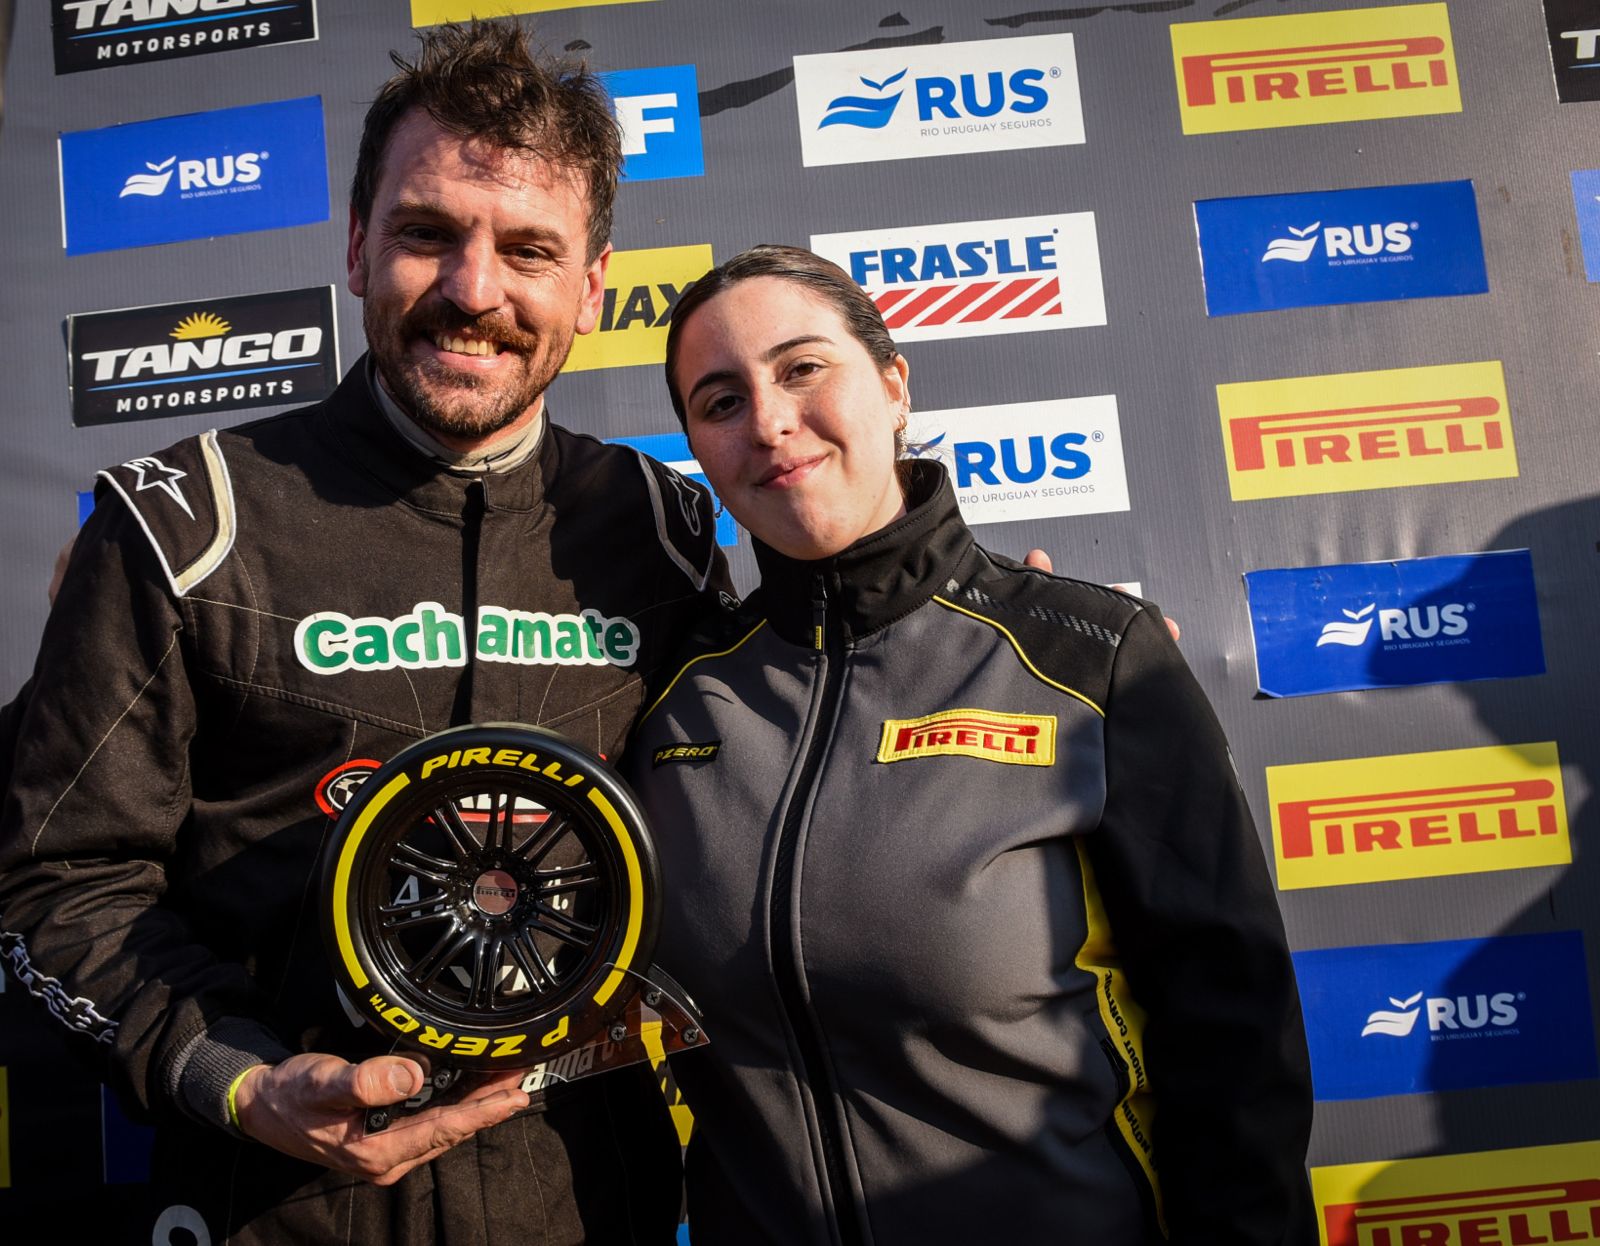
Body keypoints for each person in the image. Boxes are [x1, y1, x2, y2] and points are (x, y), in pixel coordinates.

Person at [0, 23, 718, 1245]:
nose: (474, 291)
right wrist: (241, 1079)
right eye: (427, 233)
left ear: (593, 287)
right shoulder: (185, 521)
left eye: (528, 250)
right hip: (274, 1206)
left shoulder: (663, 530)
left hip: (587, 1201)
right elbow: (55, 882)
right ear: (354, 246)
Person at [621, 245, 1317, 1246]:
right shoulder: (672, 697)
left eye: (802, 368)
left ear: (893, 385)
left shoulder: (1089, 657)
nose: (769, 422)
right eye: (721, 401)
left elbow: (1234, 1049)